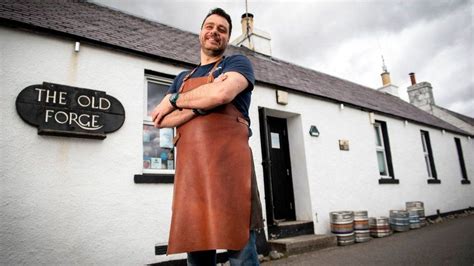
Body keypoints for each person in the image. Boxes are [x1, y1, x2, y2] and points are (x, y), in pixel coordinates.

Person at [151, 7, 263, 266]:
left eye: (222, 30)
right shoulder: (182, 77)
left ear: (227, 38)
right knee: (197, 253)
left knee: (242, 254)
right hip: (193, 174)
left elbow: (221, 95)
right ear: (201, 32)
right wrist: (200, 105)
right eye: (210, 26)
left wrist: (177, 100)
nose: (215, 32)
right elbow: (161, 119)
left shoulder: (237, 63)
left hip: (232, 170)